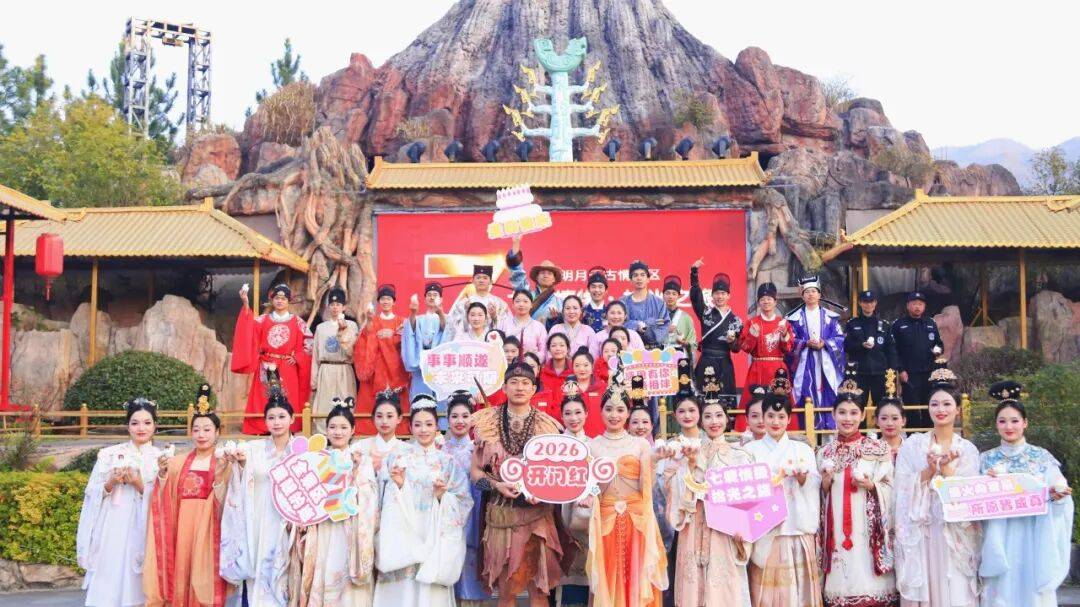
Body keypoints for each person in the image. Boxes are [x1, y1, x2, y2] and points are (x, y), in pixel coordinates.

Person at [469, 362, 567, 607]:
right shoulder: (487, 423)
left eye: (525, 383)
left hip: (538, 515)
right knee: (506, 591)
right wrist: (496, 486)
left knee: (539, 590)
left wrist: (543, 491)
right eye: (514, 382)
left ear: (534, 389)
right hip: (501, 516)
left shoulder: (547, 425)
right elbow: (475, 474)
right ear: (504, 387)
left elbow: (558, 473)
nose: (519, 387)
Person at [979, 381, 1074, 607]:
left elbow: (1059, 496)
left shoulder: (1041, 458)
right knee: (1000, 592)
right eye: (1002, 421)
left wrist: (1057, 497)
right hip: (999, 539)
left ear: (1025, 423)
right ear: (996, 425)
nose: (1008, 426)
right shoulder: (985, 460)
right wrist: (985, 484)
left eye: (1014, 420)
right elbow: (974, 503)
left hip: (1033, 536)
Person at [893, 367, 980, 606]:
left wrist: (948, 470)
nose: (940, 409)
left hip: (954, 532)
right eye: (934, 404)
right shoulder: (913, 446)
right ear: (928, 407)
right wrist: (929, 471)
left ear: (958, 409)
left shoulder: (968, 450)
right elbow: (901, 488)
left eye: (947, 404)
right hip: (922, 530)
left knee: (955, 587)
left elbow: (971, 496)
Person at [374, 398, 472, 606]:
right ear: (410, 427)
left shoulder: (448, 462)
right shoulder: (397, 458)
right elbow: (382, 498)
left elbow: (463, 501)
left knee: (429, 591)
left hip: (434, 530)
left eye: (429, 424)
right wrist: (399, 486)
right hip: (404, 530)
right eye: (418, 425)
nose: (423, 430)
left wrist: (442, 497)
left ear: (437, 427)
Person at [145, 387, 231, 607]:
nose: (201, 435)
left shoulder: (225, 462)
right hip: (182, 526)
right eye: (196, 429)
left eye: (207, 429)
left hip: (209, 527)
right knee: (181, 571)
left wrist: (221, 476)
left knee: (204, 576)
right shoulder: (177, 462)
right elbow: (162, 493)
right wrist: (162, 474)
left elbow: (232, 498)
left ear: (217, 432)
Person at [817, 376, 897, 607]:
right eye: (842, 412)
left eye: (854, 413)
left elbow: (891, 488)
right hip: (836, 526)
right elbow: (817, 496)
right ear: (833, 414)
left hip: (866, 527)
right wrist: (824, 485)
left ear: (863, 415)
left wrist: (873, 487)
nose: (848, 418)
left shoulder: (878, 448)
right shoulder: (824, 452)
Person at [667, 395, 754, 606]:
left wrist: (743, 527)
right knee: (692, 583)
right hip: (694, 523)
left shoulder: (740, 455)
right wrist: (690, 465)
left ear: (727, 419)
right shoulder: (688, 452)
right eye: (707, 416)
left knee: (723, 585)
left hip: (725, 528)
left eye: (718, 416)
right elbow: (673, 487)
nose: (714, 422)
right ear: (701, 420)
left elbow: (749, 499)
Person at [584, 385, 668, 606]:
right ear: (600, 411)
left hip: (636, 520)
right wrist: (589, 496)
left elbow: (645, 487)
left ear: (628, 413)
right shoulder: (591, 446)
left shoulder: (640, 444)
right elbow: (591, 487)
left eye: (620, 410)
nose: (614, 415)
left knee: (636, 574)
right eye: (609, 409)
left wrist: (653, 462)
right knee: (608, 572)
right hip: (605, 519)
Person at [77, 398, 163, 607]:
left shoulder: (161, 458)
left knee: (139, 578)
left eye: (147, 423)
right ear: (127, 426)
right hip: (113, 522)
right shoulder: (110, 454)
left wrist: (139, 484)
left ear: (155, 425)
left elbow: (166, 499)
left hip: (144, 525)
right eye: (135, 423)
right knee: (109, 569)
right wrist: (111, 482)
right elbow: (92, 492)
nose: (141, 428)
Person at [291, 402, 378, 606]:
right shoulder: (317, 458)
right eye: (333, 427)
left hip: (350, 528)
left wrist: (356, 474)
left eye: (343, 427)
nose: (338, 432)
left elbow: (369, 496)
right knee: (323, 570)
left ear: (353, 430)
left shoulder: (361, 460)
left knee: (346, 581)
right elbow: (305, 493)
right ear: (326, 430)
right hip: (323, 527)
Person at [220, 387, 300, 606]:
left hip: (289, 521)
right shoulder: (253, 448)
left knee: (286, 572)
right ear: (265, 421)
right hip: (259, 517)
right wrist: (241, 464)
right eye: (271, 418)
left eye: (282, 416)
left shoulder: (302, 449)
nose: (277, 422)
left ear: (292, 419)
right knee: (258, 568)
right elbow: (242, 478)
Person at [744, 391, 822, 607]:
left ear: (789, 419)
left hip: (796, 525)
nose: (775, 422)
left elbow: (814, 485)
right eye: (770, 416)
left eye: (781, 417)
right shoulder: (749, 450)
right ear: (763, 417)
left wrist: (803, 478)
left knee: (799, 592)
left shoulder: (803, 449)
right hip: (765, 529)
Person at [231, 283, 311, 435]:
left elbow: (309, 342)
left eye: (283, 298)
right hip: (266, 364)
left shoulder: (298, 322)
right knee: (264, 396)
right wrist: (246, 304)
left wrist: (298, 357)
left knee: (287, 396)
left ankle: (288, 426)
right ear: (272, 300)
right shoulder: (262, 319)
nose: (280, 301)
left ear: (289, 301)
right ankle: (261, 427)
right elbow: (249, 330)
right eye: (277, 298)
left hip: (287, 366)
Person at [441, 392, 492, 607]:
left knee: (471, 564)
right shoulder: (439, 450)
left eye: (465, 416)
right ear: (447, 419)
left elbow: (486, 484)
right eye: (454, 416)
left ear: (472, 419)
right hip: (445, 515)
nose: (460, 421)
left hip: (474, 514)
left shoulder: (479, 449)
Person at [787, 275, 845, 431]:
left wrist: (824, 343)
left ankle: (829, 432)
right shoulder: (795, 319)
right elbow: (790, 341)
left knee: (829, 392)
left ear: (819, 294)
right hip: (805, 362)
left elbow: (839, 338)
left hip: (826, 360)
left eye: (813, 291)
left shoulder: (830, 317)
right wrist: (804, 343)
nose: (810, 295)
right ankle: (808, 433)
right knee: (805, 392)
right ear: (802, 296)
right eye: (807, 292)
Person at [355, 284, 410, 435]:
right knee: (370, 401)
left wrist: (393, 336)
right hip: (375, 369)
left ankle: (400, 431)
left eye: (388, 299)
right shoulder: (372, 321)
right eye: (383, 299)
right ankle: (368, 431)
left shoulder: (402, 321)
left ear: (394, 301)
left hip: (396, 370)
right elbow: (362, 343)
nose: (386, 301)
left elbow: (408, 343)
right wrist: (370, 326)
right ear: (378, 302)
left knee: (398, 401)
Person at [738, 282, 794, 431]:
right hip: (758, 368)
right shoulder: (752, 322)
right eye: (762, 299)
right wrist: (752, 335)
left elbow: (788, 348)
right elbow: (745, 348)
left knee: (781, 401)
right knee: (755, 400)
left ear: (775, 301)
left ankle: (782, 429)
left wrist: (784, 335)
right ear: (758, 302)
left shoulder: (783, 323)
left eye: (769, 299)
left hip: (778, 369)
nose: (766, 302)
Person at [557, 395, 592, 607]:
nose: (573, 418)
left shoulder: (593, 445)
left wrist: (591, 495)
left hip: (585, 514)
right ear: (561, 417)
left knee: (586, 564)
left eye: (578, 412)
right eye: (568, 413)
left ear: (586, 414)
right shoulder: (552, 446)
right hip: (558, 514)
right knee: (563, 565)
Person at [310, 286, 360, 433]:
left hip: (344, 368)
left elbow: (352, 352)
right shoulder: (321, 328)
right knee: (325, 403)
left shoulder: (352, 325)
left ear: (344, 307)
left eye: (338, 304)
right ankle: (323, 434)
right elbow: (315, 355)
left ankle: (346, 431)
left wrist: (344, 331)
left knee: (346, 402)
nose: (335, 307)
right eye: (332, 304)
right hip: (326, 369)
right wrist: (314, 379)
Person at [891, 291, 943, 428]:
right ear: (908, 305)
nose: (917, 307)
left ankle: (929, 435)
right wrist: (900, 370)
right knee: (911, 407)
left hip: (929, 372)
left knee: (929, 405)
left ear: (924, 306)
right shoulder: (898, 325)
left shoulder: (930, 323)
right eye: (914, 304)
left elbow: (939, 343)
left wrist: (938, 350)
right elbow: (893, 350)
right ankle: (912, 436)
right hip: (909, 374)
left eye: (920, 304)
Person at [689, 259, 741, 397]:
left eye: (723, 293)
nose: (720, 296)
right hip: (706, 360)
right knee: (703, 400)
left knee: (725, 402)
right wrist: (694, 273)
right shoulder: (705, 313)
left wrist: (732, 342)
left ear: (729, 296)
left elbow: (737, 349)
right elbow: (696, 298)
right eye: (717, 293)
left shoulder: (736, 321)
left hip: (725, 363)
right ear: (712, 295)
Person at [843, 290, 899, 408]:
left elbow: (891, 350)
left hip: (881, 373)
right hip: (859, 373)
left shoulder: (885, 325)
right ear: (860, 303)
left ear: (875, 303)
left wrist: (893, 371)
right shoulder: (852, 324)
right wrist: (860, 345)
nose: (868, 305)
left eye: (871, 302)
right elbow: (846, 346)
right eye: (865, 302)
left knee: (883, 406)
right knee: (857, 406)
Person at [402, 281, 447, 399]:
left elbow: (447, 330)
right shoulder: (419, 318)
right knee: (421, 399)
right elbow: (410, 331)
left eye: (435, 295)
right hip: (421, 365)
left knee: (441, 400)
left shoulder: (447, 317)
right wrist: (413, 313)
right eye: (429, 295)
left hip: (440, 367)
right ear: (425, 298)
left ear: (441, 299)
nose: (432, 297)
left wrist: (440, 312)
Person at [507, 234, 564, 323]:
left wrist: (555, 320)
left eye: (549, 273)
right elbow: (517, 273)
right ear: (537, 277)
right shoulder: (526, 294)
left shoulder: (561, 302)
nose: (545, 275)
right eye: (542, 273)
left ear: (554, 279)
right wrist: (516, 243)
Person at [444, 264, 510, 341]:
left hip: (490, 343)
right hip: (467, 342)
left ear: (491, 281)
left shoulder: (499, 303)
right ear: (473, 280)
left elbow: (507, 326)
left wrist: (494, 317)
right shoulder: (463, 303)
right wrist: (465, 313)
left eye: (485, 278)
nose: (481, 281)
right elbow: (452, 326)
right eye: (478, 278)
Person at [621, 259, 670, 348]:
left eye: (642, 275)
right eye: (635, 275)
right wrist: (636, 325)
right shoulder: (622, 302)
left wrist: (646, 327)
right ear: (630, 280)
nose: (639, 278)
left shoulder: (659, 303)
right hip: (629, 350)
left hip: (654, 351)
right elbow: (618, 325)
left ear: (648, 279)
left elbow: (663, 330)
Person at [563, 349, 607, 438]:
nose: (581, 369)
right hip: (574, 439)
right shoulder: (565, 389)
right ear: (572, 367)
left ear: (592, 366)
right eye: (577, 365)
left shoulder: (603, 388)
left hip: (600, 439)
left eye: (586, 365)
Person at [497, 289, 549, 358]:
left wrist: (532, 358)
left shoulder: (539, 327)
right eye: (518, 301)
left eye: (525, 301)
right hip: (507, 363)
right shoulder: (503, 323)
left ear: (531, 305)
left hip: (531, 363)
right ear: (513, 304)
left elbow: (544, 351)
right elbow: (497, 347)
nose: (521, 304)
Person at [661, 274, 697, 359]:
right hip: (660, 357)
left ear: (678, 296)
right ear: (663, 295)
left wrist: (684, 343)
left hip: (680, 357)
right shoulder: (657, 316)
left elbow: (693, 343)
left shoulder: (686, 318)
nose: (670, 297)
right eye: (667, 293)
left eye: (674, 294)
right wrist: (664, 330)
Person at [874, 372, 907, 462]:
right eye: (884, 418)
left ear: (903, 420)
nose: (889, 423)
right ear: (876, 420)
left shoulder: (912, 449)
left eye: (895, 418)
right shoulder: (870, 450)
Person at [540, 333, 574, 413]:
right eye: (554, 345)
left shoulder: (575, 371)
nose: (558, 348)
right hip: (546, 414)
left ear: (568, 349)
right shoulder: (542, 372)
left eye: (562, 345)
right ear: (549, 349)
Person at [583, 267, 611, 333]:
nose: (597, 290)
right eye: (593, 287)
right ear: (588, 289)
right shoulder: (582, 311)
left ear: (606, 290)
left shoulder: (610, 311)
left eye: (600, 287)